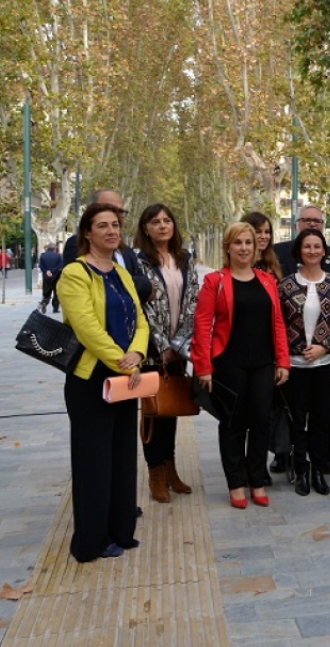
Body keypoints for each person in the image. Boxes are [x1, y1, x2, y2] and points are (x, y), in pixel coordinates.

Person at [56, 202, 149, 562]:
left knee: (123, 457)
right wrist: (121, 361)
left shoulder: (121, 272)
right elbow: (87, 328)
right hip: (92, 380)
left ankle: (120, 531)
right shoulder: (74, 273)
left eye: (115, 225)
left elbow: (140, 319)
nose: (112, 231)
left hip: (127, 376)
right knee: (93, 463)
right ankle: (91, 542)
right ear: (87, 233)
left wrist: (137, 353)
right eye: (102, 225)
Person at [192, 222, 290, 509]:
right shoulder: (215, 281)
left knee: (261, 422)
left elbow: (277, 323)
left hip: (263, 363)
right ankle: (235, 482)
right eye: (238, 243)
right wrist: (203, 367)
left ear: (256, 247)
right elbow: (202, 326)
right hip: (228, 363)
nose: (244, 248)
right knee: (233, 424)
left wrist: (283, 361)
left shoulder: (267, 280)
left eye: (249, 242)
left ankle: (256, 480)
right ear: (228, 247)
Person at [271, 205, 330, 475]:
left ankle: (320, 463)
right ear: (298, 251)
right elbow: (278, 325)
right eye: (307, 247)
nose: (312, 251)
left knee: (322, 417)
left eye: (317, 247)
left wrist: (324, 346)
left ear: (324, 251)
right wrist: (287, 355)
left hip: (327, 362)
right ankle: (300, 465)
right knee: (297, 417)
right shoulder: (286, 286)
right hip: (295, 364)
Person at [134, 203, 201, 504]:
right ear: (145, 229)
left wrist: (179, 344)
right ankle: (156, 473)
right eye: (155, 222)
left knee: (171, 407)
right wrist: (162, 346)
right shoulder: (138, 263)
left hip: (179, 347)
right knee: (153, 411)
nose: (162, 226)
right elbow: (142, 309)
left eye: (167, 221)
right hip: (151, 350)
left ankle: (171, 468)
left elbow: (193, 301)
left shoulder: (185, 259)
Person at [63, 189, 152, 302]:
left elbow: (145, 287)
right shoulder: (77, 245)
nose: (116, 215)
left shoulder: (127, 251)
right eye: (109, 209)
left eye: (120, 212)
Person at [241, 211, 284, 281]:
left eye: (267, 232)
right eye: (258, 232)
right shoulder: (240, 264)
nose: (263, 236)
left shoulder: (273, 262)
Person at [38, 244, 64, 313]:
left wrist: (47, 271)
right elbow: (60, 265)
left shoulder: (43, 255)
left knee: (46, 291)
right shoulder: (58, 256)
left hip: (46, 276)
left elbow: (41, 266)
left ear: (47, 248)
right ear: (54, 248)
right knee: (56, 293)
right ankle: (55, 308)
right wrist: (52, 271)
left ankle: (45, 302)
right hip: (55, 276)